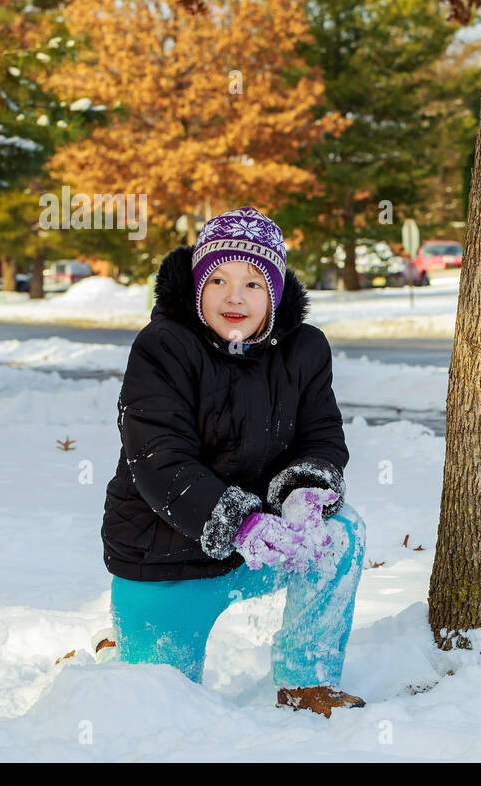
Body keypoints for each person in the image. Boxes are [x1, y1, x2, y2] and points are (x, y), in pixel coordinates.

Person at [98, 206, 366, 718]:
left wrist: (306, 495)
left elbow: (321, 434)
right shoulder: (164, 347)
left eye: (253, 283)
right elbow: (160, 459)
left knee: (341, 536)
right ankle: (123, 648)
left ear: (276, 292)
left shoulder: (305, 349)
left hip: (263, 549)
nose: (234, 297)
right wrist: (238, 522)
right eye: (217, 279)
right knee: (159, 707)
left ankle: (305, 683)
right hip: (164, 558)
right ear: (197, 286)